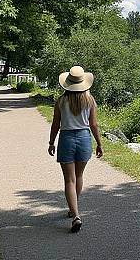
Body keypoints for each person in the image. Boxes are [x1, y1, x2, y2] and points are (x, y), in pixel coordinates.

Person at [48, 65, 103, 232]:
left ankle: (76, 214)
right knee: (79, 176)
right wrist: (99, 143)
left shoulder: (61, 101)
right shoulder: (90, 100)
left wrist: (51, 142)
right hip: (84, 139)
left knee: (69, 180)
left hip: (66, 139)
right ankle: (74, 210)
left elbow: (56, 124)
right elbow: (93, 124)